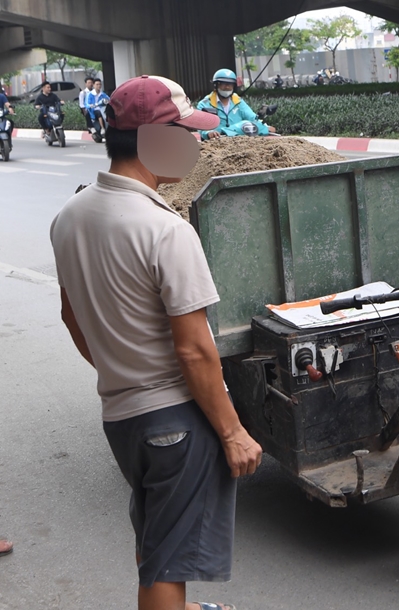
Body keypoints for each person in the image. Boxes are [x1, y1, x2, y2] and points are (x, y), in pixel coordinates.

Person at [50, 74, 262, 610]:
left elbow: (73, 318)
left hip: (120, 417)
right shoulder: (166, 229)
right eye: (184, 133)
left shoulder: (68, 218)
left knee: (156, 546)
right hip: (175, 421)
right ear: (153, 139)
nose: (193, 146)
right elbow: (194, 350)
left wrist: (122, 372)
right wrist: (233, 432)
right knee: (169, 561)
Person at [196, 69, 276, 140]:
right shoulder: (205, 104)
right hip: (217, 141)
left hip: (238, 140)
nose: (227, 87)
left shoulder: (238, 101)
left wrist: (265, 127)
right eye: (223, 84)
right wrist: (208, 133)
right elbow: (200, 126)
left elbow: (252, 118)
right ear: (216, 85)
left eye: (230, 84)